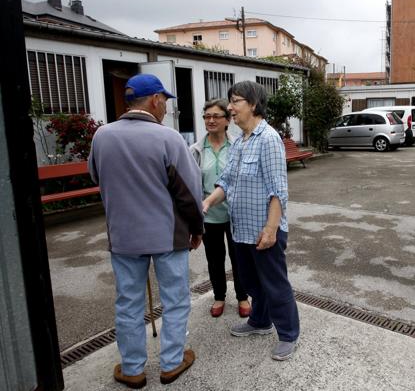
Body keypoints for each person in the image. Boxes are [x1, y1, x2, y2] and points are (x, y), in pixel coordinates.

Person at [88, 73, 204, 388]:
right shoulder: (169, 138)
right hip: (167, 235)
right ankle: (171, 362)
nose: (165, 107)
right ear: (154, 100)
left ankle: (132, 368)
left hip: (124, 236)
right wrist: (197, 228)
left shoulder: (102, 135)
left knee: (128, 302)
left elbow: (95, 175)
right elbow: (189, 192)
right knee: (176, 299)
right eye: (164, 101)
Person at [202, 81, 300, 361]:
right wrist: (208, 202)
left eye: (235, 101)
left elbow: (278, 190)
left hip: (263, 231)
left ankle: (289, 334)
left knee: (275, 285)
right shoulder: (241, 140)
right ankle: (259, 321)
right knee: (251, 283)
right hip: (242, 230)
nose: (230, 107)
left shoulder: (268, 139)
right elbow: (228, 181)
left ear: (253, 104)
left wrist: (271, 229)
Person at [190, 99, 251, 318]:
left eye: (216, 116)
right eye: (207, 116)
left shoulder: (239, 145)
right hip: (209, 214)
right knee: (214, 258)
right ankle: (219, 296)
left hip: (235, 214)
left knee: (239, 258)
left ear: (227, 120)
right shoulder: (196, 150)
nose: (211, 120)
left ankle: (243, 296)